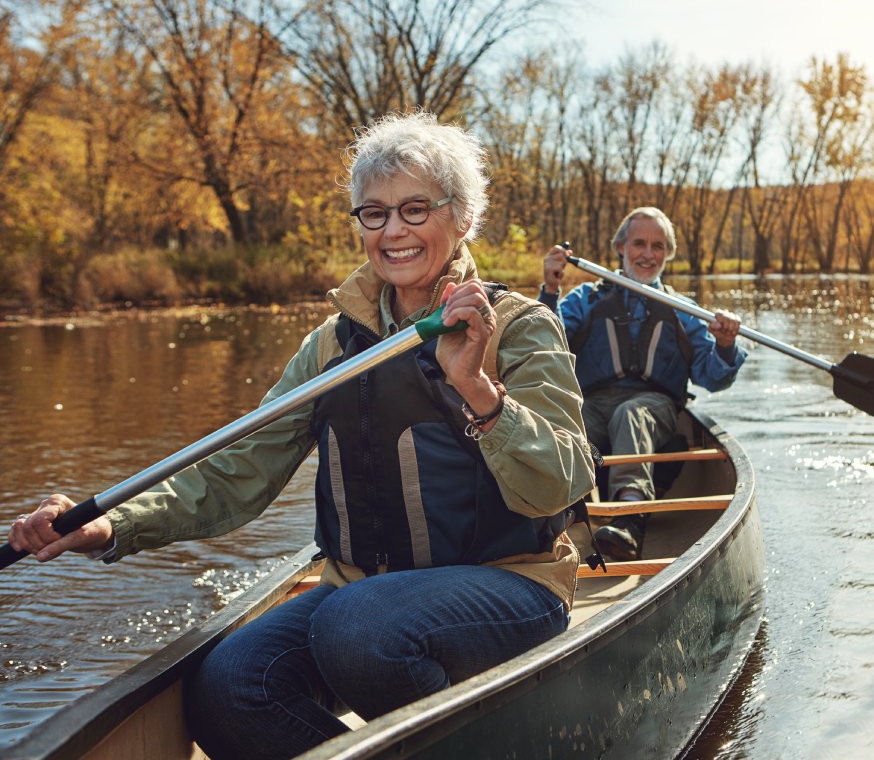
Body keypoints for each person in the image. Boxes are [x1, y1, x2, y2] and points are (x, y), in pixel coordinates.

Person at [6, 111, 595, 760]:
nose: (393, 230)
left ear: (462, 219)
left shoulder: (519, 324)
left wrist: (479, 392)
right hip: (358, 593)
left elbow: (563, 481)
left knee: (359, 628)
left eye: (415, 209)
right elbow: (234, 471)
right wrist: (110, 525)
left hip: (508, 584)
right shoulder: (329, 348)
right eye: (374, 213)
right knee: (229, 688)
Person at [539, 206, 746, 562]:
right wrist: (550, 290)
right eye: (639, 243)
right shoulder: (584, 300)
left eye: (658, 246)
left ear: (668, 254)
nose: (648, 254)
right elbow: (544, 347)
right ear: (621, 247)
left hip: (655, 407)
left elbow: (713, 377)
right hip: (593, 404)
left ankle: (630, 518)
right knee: (569, 419)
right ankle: (558, 517)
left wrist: (726, 345)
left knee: (631, 414)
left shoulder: (682, 309)